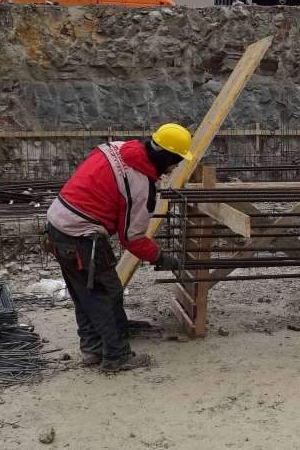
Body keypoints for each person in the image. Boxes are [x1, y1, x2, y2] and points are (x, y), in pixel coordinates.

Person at [45, 123, 191, 371]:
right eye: (175, 162)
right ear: (166, 157)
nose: (173, 168)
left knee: (84, 294)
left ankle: (92, 349)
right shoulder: (139, 183)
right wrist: (160, 257)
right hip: (82, 236)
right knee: (107, 295)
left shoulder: (118, 147)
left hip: (57, 224)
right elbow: (132, 238)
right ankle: (116, 357)